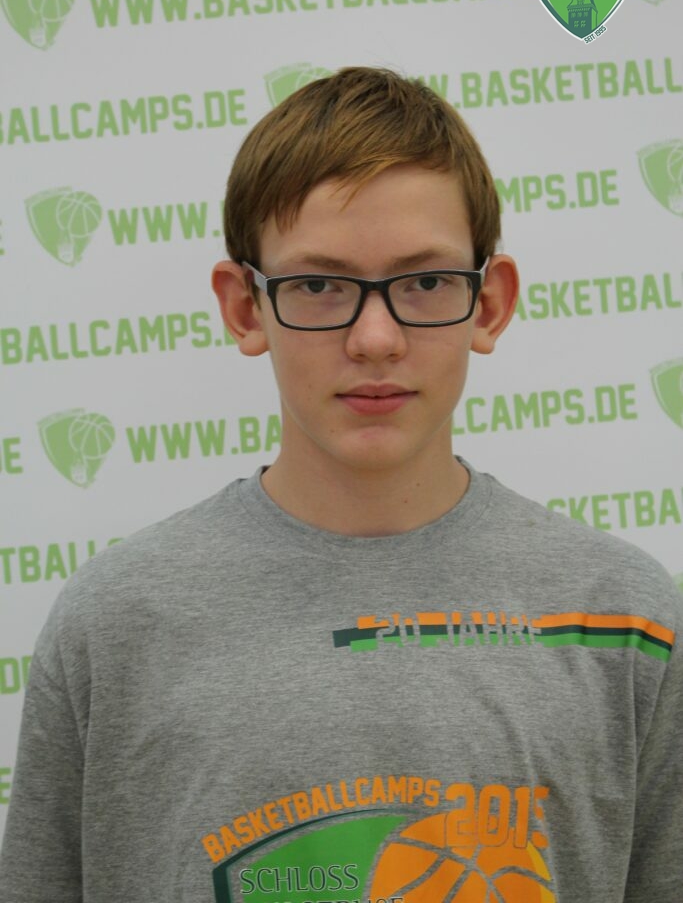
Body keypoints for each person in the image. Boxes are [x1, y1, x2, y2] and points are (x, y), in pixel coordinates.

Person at [1, 67, 681, 903]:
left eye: (424, 282)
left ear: (489, 304)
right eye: (318, 286)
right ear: (244, 307)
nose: (375, 338)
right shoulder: (114, 623)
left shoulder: (625, 618)